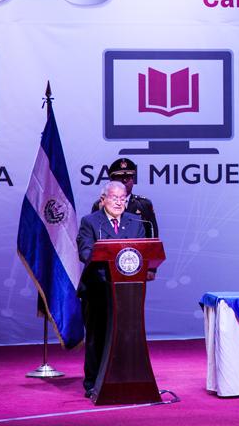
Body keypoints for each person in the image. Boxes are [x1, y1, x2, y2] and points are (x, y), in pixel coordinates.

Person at [76, 180, 148, 398]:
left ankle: (126, 378)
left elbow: (144, 252)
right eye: (114, 197)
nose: (119, 202)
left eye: (122, 198)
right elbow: (85, 251)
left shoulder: (135, 222)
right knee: (97, 337)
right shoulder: (90, 222)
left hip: (128, 292)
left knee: (127, 337)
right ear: (103, 199)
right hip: (98, 289)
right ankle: (92, 383)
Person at [91, 158, 158, 238]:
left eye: (128, 177)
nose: (124, 180)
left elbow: (153, 238)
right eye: (120, 177)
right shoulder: (100, 205)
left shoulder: (144, 205)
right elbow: (94, 236)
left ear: (133, 181)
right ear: (111, 180)